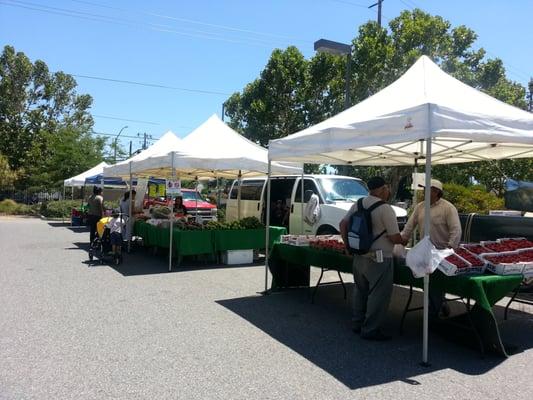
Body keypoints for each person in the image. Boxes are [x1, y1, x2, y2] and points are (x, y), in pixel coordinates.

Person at [340, 176, 404, 341]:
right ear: (383, 189)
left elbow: (343, 224)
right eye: (387, 188)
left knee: (360, 291)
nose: (389, 191)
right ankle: (370, 329)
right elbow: (394, 238)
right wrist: (404, 240)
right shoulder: (385, 209)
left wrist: (347, 246)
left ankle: (357, 323)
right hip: (380, 258)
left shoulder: (359, 203)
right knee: (378, 295)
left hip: (359, 254)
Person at [400, 179, 462, 317]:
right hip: (425, 252)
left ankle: (435, 311)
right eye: (424, 189)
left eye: (427, 190)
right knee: (430, 284)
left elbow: (456, 230)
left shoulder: (448, 208)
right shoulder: (420, 207)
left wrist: (450, 248)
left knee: (436, 284)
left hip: (442, 252)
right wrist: (402, 239)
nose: (424, 192)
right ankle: (437, 306)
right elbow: (409, 226)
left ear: (436, 192)